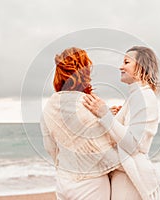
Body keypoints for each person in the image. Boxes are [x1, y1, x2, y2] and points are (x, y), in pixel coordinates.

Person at [83, 46, 160, 199]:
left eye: (126, 62)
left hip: (129, 179)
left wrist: (104, 114)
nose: (121, 66)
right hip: (126, 174)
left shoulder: (144, 96)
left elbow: (133, 144)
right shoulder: (136, 96)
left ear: (141, 67)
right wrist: (116, 116)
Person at [40, 47, 120, 200]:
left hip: (63, 181)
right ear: (84, 71)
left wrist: (107, 114)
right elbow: (103, 145)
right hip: (91, 183)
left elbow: (51, 147)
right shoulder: (88, 102)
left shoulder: (51, 104)